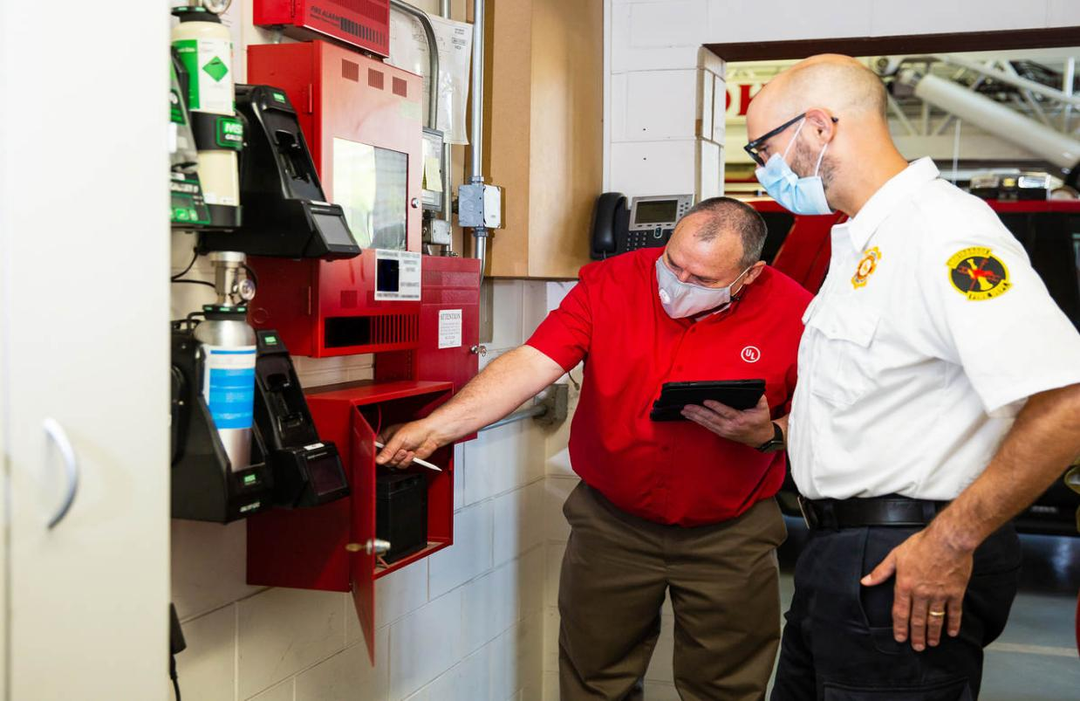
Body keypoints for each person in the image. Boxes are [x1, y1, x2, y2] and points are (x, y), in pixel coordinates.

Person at [376, 197, 811, 700]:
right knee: (595, 682)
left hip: (732, 532)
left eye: (704, 281)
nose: (679, 286)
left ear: (750, 273)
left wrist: (769, 433)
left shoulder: (798, 312)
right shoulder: (612, 282)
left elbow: (827, 417)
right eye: (674, 265)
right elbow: (533, 362)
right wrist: (439, 425)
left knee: (727, 688)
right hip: (613, 526)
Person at [743, 55, 1080, 699]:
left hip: (905, 550)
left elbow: (1066, 400)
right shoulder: (863, 239)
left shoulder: (943, 229)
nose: (766, 170)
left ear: (817, 126)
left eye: (766, 148)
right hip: (838, 553)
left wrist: (950, 543)